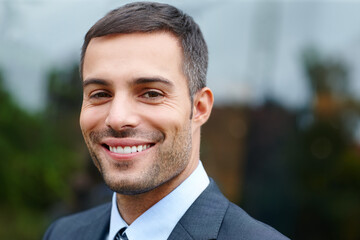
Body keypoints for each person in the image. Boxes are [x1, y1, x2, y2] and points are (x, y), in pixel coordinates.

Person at [43, 2, 289, 240]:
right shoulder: (62, 234)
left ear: (200, 108)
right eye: (100, 94)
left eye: (151, 93)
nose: (117, 118)